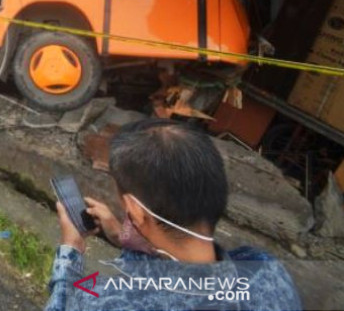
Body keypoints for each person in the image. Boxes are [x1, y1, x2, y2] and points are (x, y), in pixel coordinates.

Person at [45, 119, 302, 311]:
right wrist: (120, 235)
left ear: (134, 210)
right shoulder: (267, 273)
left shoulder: (106, 302)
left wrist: (72, 248)